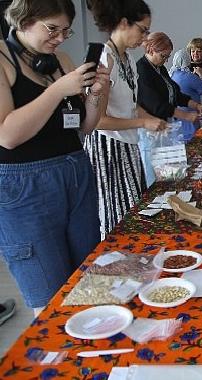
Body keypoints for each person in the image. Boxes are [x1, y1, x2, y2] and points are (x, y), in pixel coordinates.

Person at [0, 0, 110, 315]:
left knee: (87, 282)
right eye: (52, 29)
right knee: (50, 297)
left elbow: (86, 126)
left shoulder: (59, 60)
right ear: (23, 20)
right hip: (25, 186)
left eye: (65, 31)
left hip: (75, 171)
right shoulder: (3, 58)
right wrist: (58, 90)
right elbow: (7, 135)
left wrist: (97, 91)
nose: (60, 38)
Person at [85, 0, 166, 239]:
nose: (145, 36)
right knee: (115, 216)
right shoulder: (105, 59)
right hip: (108, 149)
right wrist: (143, 123)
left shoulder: (128, 59)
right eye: (143, 29)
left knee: (133, 209)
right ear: (123, 23)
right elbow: (99, 121)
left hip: (127, 145)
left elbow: (131, 106)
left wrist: (153, 120)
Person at [136, 32, 202, 184]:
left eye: (168, 57)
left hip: (166, 128)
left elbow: (175, 93)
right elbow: (156, 104)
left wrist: (195, 105)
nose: (166, 60)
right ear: (150, 50)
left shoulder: (159, 68)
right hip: (151, 131)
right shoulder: (142, 70)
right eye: (163, 56)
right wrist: (186, 116)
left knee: (171, 174)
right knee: (154, 176)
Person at [170, 48, 202, 140]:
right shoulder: (189, 77)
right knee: (192, 144)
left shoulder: (172, 75)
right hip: (190, 117)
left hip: (176, 117)